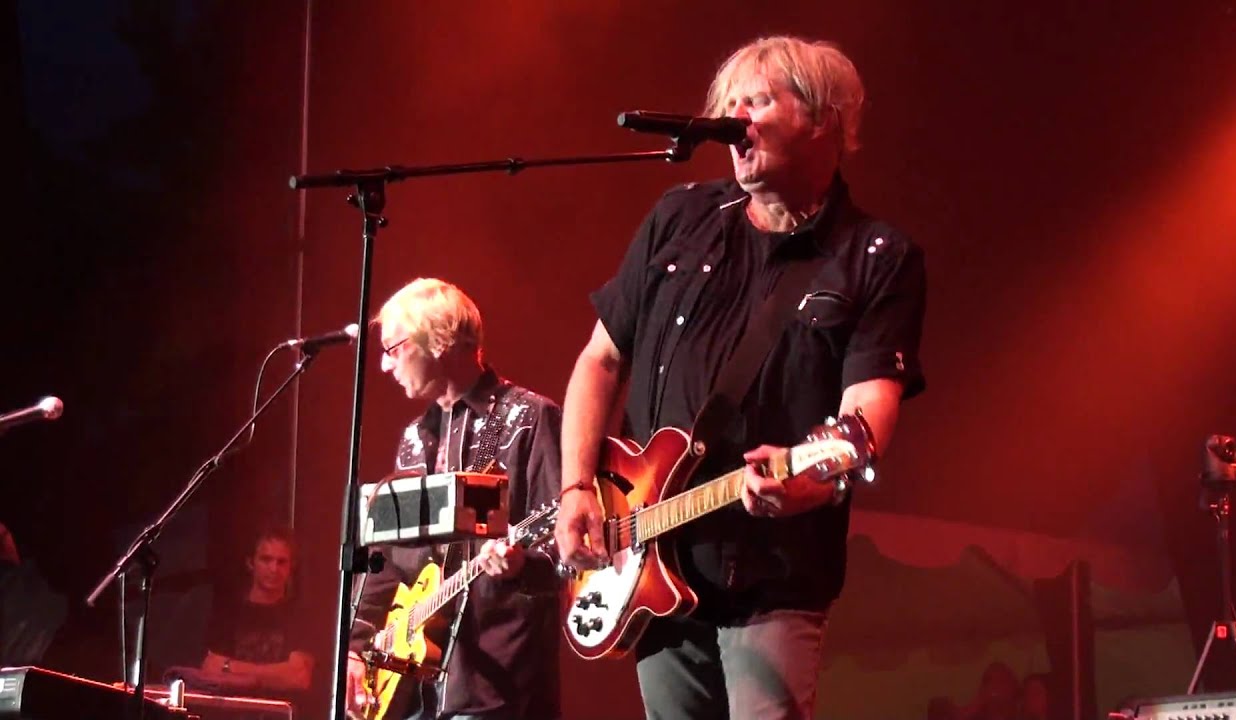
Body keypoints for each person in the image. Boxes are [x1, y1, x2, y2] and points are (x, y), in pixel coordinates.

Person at [554, 35, 927, 720]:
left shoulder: (876, 256)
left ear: (823, 120)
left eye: (755, 102)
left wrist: (814, 477)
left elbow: (867, 417)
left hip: (772, 575)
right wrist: (577, 484)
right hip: (649, 565)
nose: (735, 121)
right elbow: (599, 360)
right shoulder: (680, 218)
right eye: (728, 106)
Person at [346, 278, 562, 720]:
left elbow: (571, 544)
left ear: (439, 339)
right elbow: (387, 558)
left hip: (496, 687)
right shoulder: (413, 439)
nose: (385, 366)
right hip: (412, 692)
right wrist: (356, 647)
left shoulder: (528, 419)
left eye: (393, 348)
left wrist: (525, 565)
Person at [200, 526, 314, 694]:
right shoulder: (228, 612)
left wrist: (229, 666)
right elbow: (210, 670)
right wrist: (278, 673)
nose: (274, 569)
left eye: (281, 562)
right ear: (250, 562)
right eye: (266, 559)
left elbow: (298, 677)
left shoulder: (301, 616)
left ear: (292, 566)